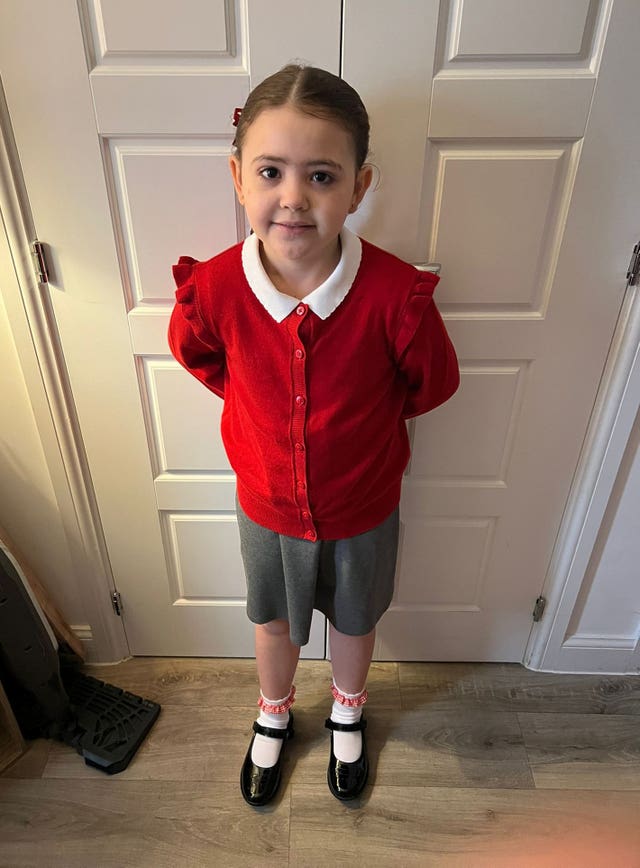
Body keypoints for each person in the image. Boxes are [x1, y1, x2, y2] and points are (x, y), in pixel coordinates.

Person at [168, 63, 459, 807]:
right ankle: (273, 711)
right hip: (265, 503)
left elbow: (434, 380)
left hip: (363, 505)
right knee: (272, 621)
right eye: (271, 171)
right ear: (239, 177)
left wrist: (368, 431)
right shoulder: (217, 287)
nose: (293, 198)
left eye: (322, 176)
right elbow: (196, 349)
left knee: (356, 620)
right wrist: (253, 405)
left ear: (360, 187)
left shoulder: (395, 294)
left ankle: (347, 708)